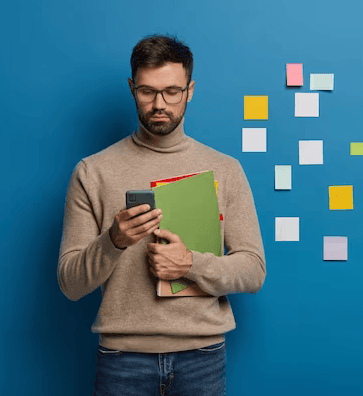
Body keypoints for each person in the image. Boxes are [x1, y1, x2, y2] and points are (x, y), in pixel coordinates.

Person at [57, 34, 266, 396]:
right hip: (122, 358)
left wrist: (190, 265)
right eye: (147, 91)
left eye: (172, 91)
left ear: (190, 90)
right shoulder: (93, 172)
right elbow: (70, 284)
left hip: (202, 356)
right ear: (131, 87)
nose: (159, 104)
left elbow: (253, 270)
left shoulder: (226, 169)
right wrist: (114, 241)